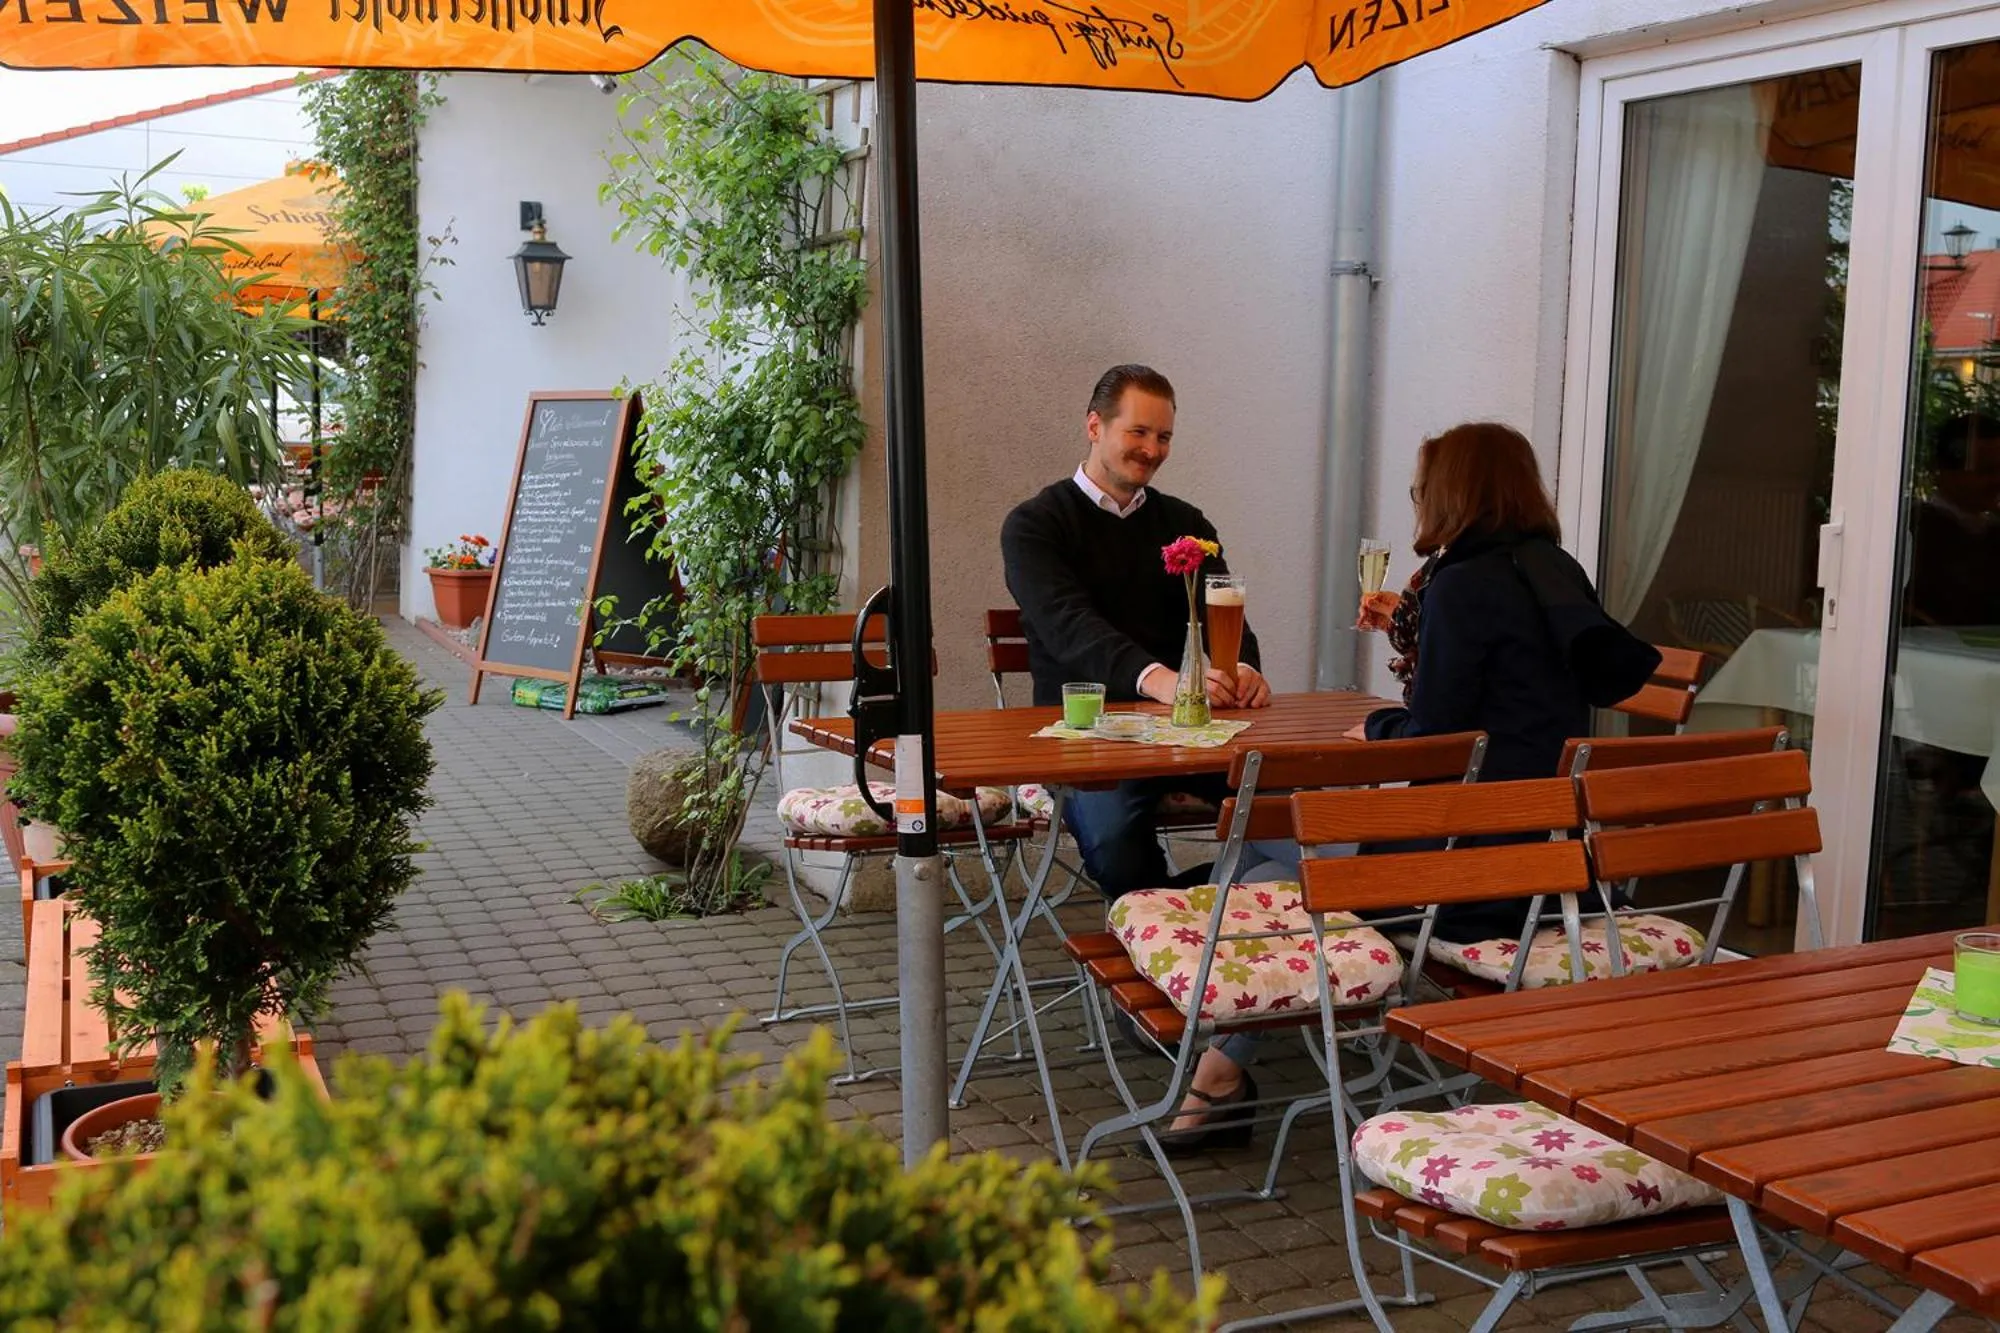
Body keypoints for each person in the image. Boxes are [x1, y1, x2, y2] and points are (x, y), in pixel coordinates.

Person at [1163, 422, 1641, 1149]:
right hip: (1555, 861)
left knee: (1262, 843)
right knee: (1262, 854)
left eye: (1421, 489)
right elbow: (1503, 703)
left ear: (1449, 493)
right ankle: (1220, 1068)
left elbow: (1438, 740)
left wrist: (1377, 729)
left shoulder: (1463, 583)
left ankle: (1219, 1061)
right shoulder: (1556, 569)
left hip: (1468, 876)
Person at [1001, 364, 1275, 899]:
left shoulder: (1185, 522)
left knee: (1286, 805)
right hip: (1088, 739)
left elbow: (1227, 611)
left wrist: (1240, 668)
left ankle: (1208, 914)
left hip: (1196, 734)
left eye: (1164, 436)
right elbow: (1068, 627)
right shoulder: (1036, 524)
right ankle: (1176, 929)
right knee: (1117, 845)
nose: (1152, 449)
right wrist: (1159, 680)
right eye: (1139, 432)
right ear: (1094, 427)